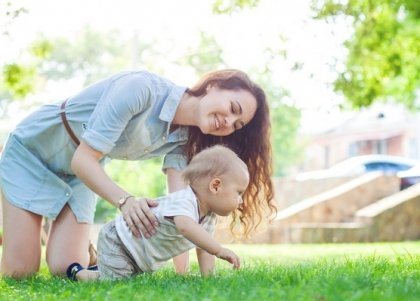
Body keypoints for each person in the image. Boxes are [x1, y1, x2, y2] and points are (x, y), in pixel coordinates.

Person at [0, 69, 276, 278]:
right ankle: (25, 230)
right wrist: (126, 201)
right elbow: (83, 160)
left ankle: (80, 246)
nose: (227, 122)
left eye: (236, 124)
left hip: (77, 177)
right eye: (232, 108)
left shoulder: (184, 140)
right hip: (32, 154)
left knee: (64, 268)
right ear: (214, 86)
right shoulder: (141, 88)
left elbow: (181, 207)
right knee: (20, 272)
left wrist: (184, 274)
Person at [67, 145, 246, 281]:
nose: (241, 200)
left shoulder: (209, 218)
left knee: (124, 278)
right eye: (239, 193)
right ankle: (80, 274)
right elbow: (185, 226)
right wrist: (219, 250)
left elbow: (204, 248)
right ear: (215, 186)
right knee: (115, 284)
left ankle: (97, 269)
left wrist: (209, 280)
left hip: (138, 256)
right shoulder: (185, 201)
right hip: (119, 241)